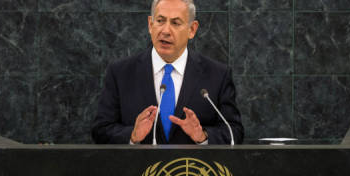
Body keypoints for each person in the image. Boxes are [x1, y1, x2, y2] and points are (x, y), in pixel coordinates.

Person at [92, 0, 244, 144]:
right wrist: (132, 135)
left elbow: (234, 132)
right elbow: (101, 130)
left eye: (175, 23)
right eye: (160, 21)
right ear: (150, 25)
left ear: (192, 29)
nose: (165, 31)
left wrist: (202, 136)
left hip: (191, 170)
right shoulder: (120, 73)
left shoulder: (217, 75)